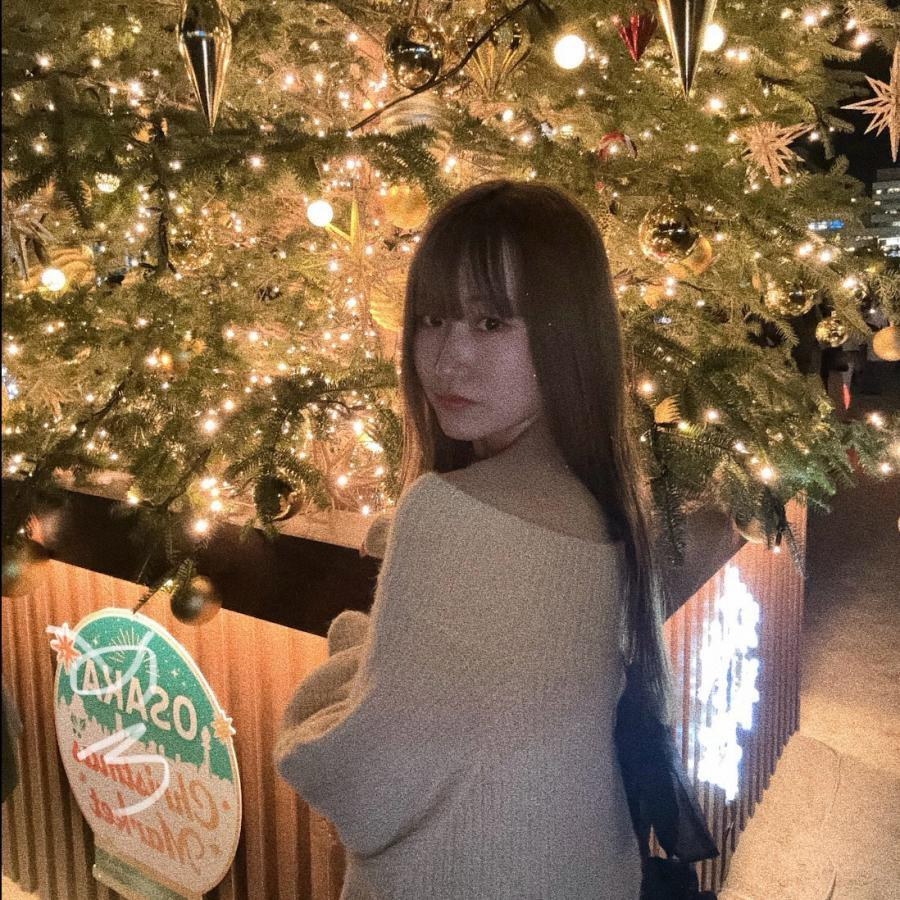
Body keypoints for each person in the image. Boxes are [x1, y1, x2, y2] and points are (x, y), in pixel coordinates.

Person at [274, 180, 697, 898]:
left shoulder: (448, 515)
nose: (447, 358)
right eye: (433, 319)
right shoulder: (607, 502)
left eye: (491, 322)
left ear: (567, 333)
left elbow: (361, 782)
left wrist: (349, 661)